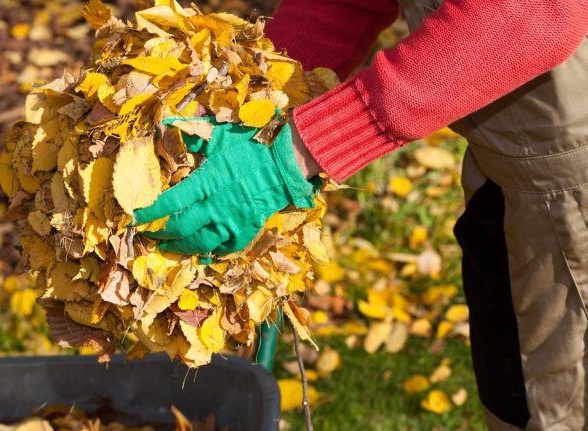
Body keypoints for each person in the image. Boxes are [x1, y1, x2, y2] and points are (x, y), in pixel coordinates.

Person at [134, 1, 588, 429]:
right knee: (517, 400)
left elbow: (535, 11)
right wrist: (259, 91)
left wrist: (295, 153)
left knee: (558, 410)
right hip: (516, 172)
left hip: (571, 193)